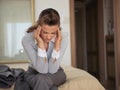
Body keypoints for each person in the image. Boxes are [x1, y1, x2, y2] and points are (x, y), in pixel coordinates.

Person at [22, 8, 68, 90]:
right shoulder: (27, 39)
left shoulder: (62, 38)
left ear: (58, 29)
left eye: (53, 33)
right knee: (44, 81)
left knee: (42, 79)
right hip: (34, 72)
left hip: (56, 72)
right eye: (45, 32)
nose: (49, 36)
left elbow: (52, 69)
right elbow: (42, 70)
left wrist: (57, 45)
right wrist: (40, 44)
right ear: (39, 27)